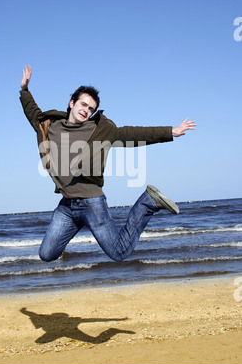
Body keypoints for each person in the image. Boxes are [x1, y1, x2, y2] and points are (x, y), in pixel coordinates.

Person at [19, 65, 196, 262]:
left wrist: (170, 131)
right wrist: (25, 90)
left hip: (91, 203)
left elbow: (132, 134)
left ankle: (149, 202)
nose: (86, 110)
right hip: (66, 206)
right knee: (46, 254)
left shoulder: (99, 130)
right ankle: (77, 226)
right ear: (71, 103)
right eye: (83, 105)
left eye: (91, 109)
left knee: (119, 252)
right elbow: (32, 112)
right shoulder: (50, 125)